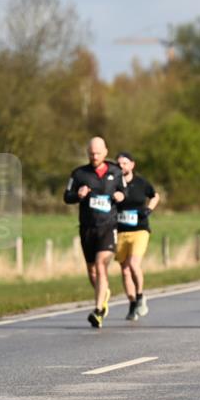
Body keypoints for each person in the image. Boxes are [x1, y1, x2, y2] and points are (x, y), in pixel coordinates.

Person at [64, 137, 127, 328]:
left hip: (108, 226)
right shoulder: (79, 174)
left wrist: (120, 195)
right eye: (91, 153)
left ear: (105, 152)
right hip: (87, 228)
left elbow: (125, 192)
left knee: (100, 265)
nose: (94, 156)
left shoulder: (116, 172)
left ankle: (98, 310)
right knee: (92, 271)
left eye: (98, 153)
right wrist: (78, 195)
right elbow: (67, 196)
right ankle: (104, 293)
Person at [115, 152, 159, 321]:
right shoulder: (114, 184)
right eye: (119, 164)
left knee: (134, 264)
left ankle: (140, 295)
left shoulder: (141, 183)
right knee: (125, 270)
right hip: (120, 230)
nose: (121, 166)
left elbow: (155, 195)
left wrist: (149, 209)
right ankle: (132, 303)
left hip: (140, 229)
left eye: (125, 163)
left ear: (132, 165)